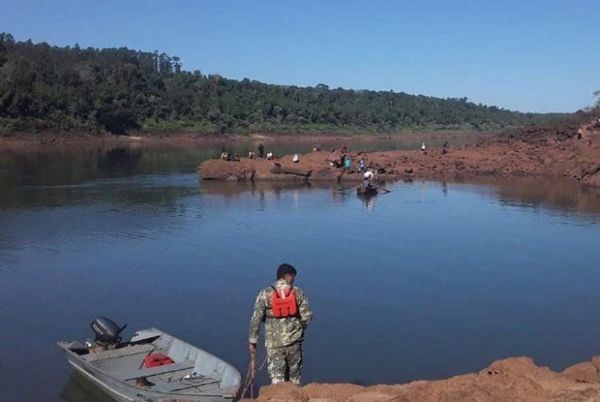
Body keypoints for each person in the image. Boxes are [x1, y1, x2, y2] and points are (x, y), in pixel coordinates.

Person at [249, 263, 312, 385]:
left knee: (277, 379)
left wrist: (253, 340)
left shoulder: (265, 294)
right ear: (287, 276)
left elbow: (255, 319)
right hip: (294, 342)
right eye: (293, 277)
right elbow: (307, 316)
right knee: (294, 378)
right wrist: (298, 329)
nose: (294, 280)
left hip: (274, 344)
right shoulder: (297, 292)